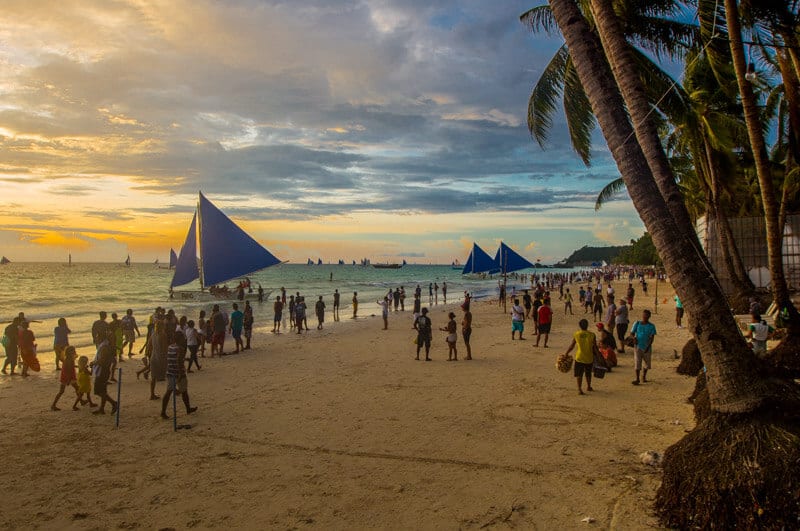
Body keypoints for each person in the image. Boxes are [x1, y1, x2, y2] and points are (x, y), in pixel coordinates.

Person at [160, 336, 197, 419]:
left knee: (168, 392)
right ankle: (188, 408)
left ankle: (163, 411)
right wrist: (180, 374)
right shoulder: (180, 348)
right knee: (184, 391)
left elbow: (170, 358)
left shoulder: (170, 347)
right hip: (178, 372)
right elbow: (179, 360)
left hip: (170, 371)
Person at [562, 319, 600, 395]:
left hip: (579, 357)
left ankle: (579, 389)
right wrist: (598, 356)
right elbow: (595, 347)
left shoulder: (577, 334)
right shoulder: (592, 335)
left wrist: (566, 353)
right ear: (587, 325)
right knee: (588, 373)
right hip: (589, 357)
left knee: (579, 374)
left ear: (580, 326)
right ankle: (588, 386)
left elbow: (572, 346)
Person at [92, 330, 118, 415]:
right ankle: (102, 408)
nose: (96, 338)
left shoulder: (104, 347)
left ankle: (114, 403)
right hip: (104, 370)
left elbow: (103, 360)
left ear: (100, 337)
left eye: (97, 336)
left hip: (102, 371)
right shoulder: (104, 345)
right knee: (103, 391)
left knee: (98, 391)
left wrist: (94, 363)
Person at [630, 309, 657, 385]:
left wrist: (648, 346)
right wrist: (634, 338)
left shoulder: (651, 326)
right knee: (637, 362)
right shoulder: (637, 323)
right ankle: (637, 378)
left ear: (649, 316)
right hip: (638, 346)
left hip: (646, 346)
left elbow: (652, 338)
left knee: (647, 364)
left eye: (646, 316)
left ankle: (644, 376)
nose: (644, 317)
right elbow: (631, 333)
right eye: (644, 315)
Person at [51, 345, 79, 411]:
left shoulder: (68, 359)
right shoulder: (69, 360)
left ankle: (81, 400)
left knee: (75, 389)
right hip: (68, 377)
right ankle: (53, 405)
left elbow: (70, 367)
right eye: (73, 351)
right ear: (70, 352)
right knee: (76, 389)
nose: (74, 352)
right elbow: (69, 370)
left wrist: (78, 366)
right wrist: (69, 380)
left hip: (66, 376)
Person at [149, 319, 167, 400]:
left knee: (153, 378)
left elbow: (149, 346)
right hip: (161, 358)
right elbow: (164, 348)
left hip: (153, 357)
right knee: (169, 374)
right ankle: (174, 390)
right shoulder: (163, 335)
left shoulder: (153, 334)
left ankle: (152, 394)